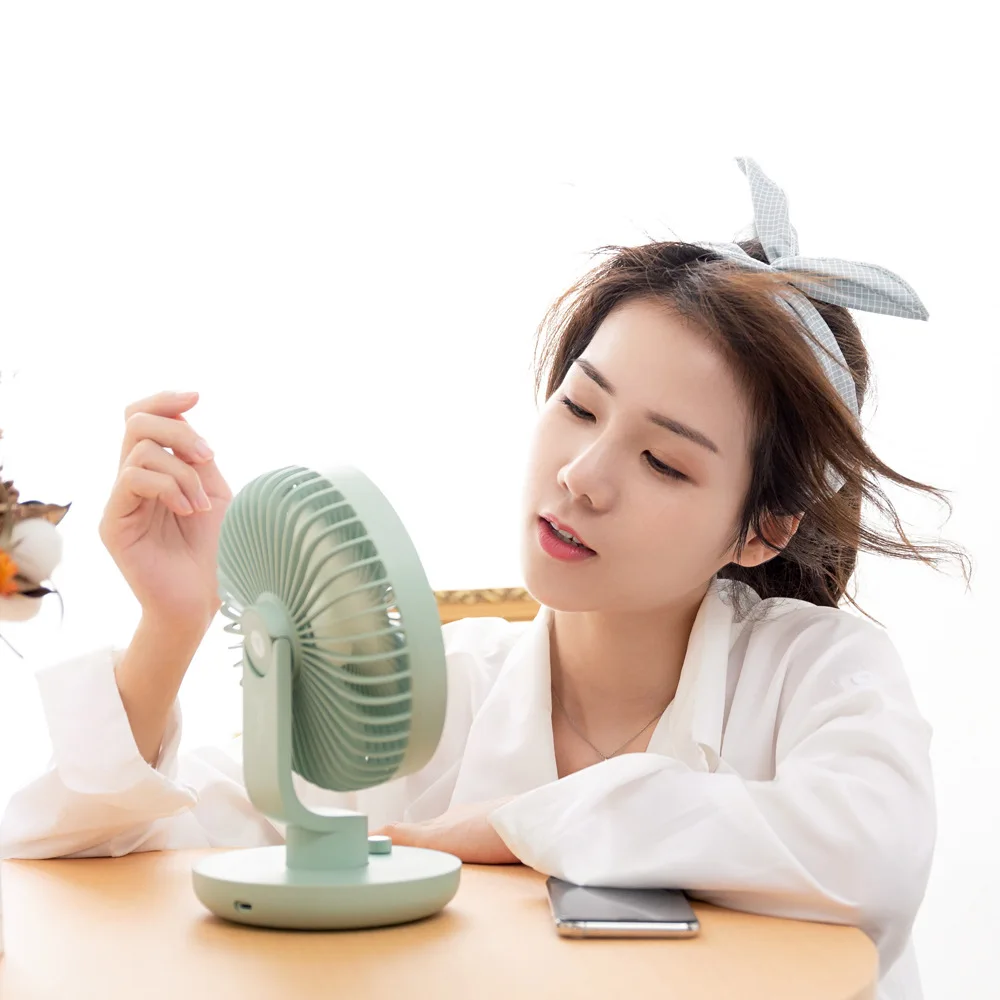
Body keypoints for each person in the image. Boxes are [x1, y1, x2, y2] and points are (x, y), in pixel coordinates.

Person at [0, 159, 968, 1000]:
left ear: (762, 530)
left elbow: (869, 856)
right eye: (579, 407)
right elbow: (86, 857)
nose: (581, 476)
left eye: (663, 462)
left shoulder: (818, 671)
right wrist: (171, 625)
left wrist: (518, 825)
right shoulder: (422, 695)